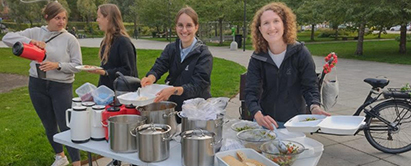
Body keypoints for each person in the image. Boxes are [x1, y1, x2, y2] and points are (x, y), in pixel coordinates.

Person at [2, 2, 82, 166]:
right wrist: (31, 41)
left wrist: (57, 65)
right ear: (47, 17)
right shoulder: (36, 32)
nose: (61, 22)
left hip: (61, 86)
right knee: (49, 123)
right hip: (37, 85)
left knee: (66, 125)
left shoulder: (70, 39)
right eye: (57, 18)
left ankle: (77, 162)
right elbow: (6, 38)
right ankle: (60, 156)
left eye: (64, 18)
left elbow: (77, 65)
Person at [245, 2, 330, 130]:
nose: (271, 27)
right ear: (260, 29)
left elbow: (310, 86)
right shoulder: (258, 57)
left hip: (294, 123)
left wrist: (315, 107)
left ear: (285, 24)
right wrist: (257, 114)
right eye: (266, 23)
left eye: (276, 21)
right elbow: (251, 91)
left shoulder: (300, 52)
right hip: (266, 122)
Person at [141, 6, 213, 123]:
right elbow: (160, 65)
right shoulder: (171, 48)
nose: (184, 30)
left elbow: (198, 86)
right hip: (174, 108)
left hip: (196, 113)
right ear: (176, 27)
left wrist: (173, 90)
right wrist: (150, 77)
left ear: (196, 27)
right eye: (180, 25)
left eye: (189, 25)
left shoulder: (204, 54)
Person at [87, 4, 138, 90]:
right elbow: (108, 66)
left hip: (122, 93)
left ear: (107, 18)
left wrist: (106, 72)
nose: (97, 20)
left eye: (99, 17)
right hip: (106, 92)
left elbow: (129, 71)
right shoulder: (105, 42)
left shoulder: (123, 42)